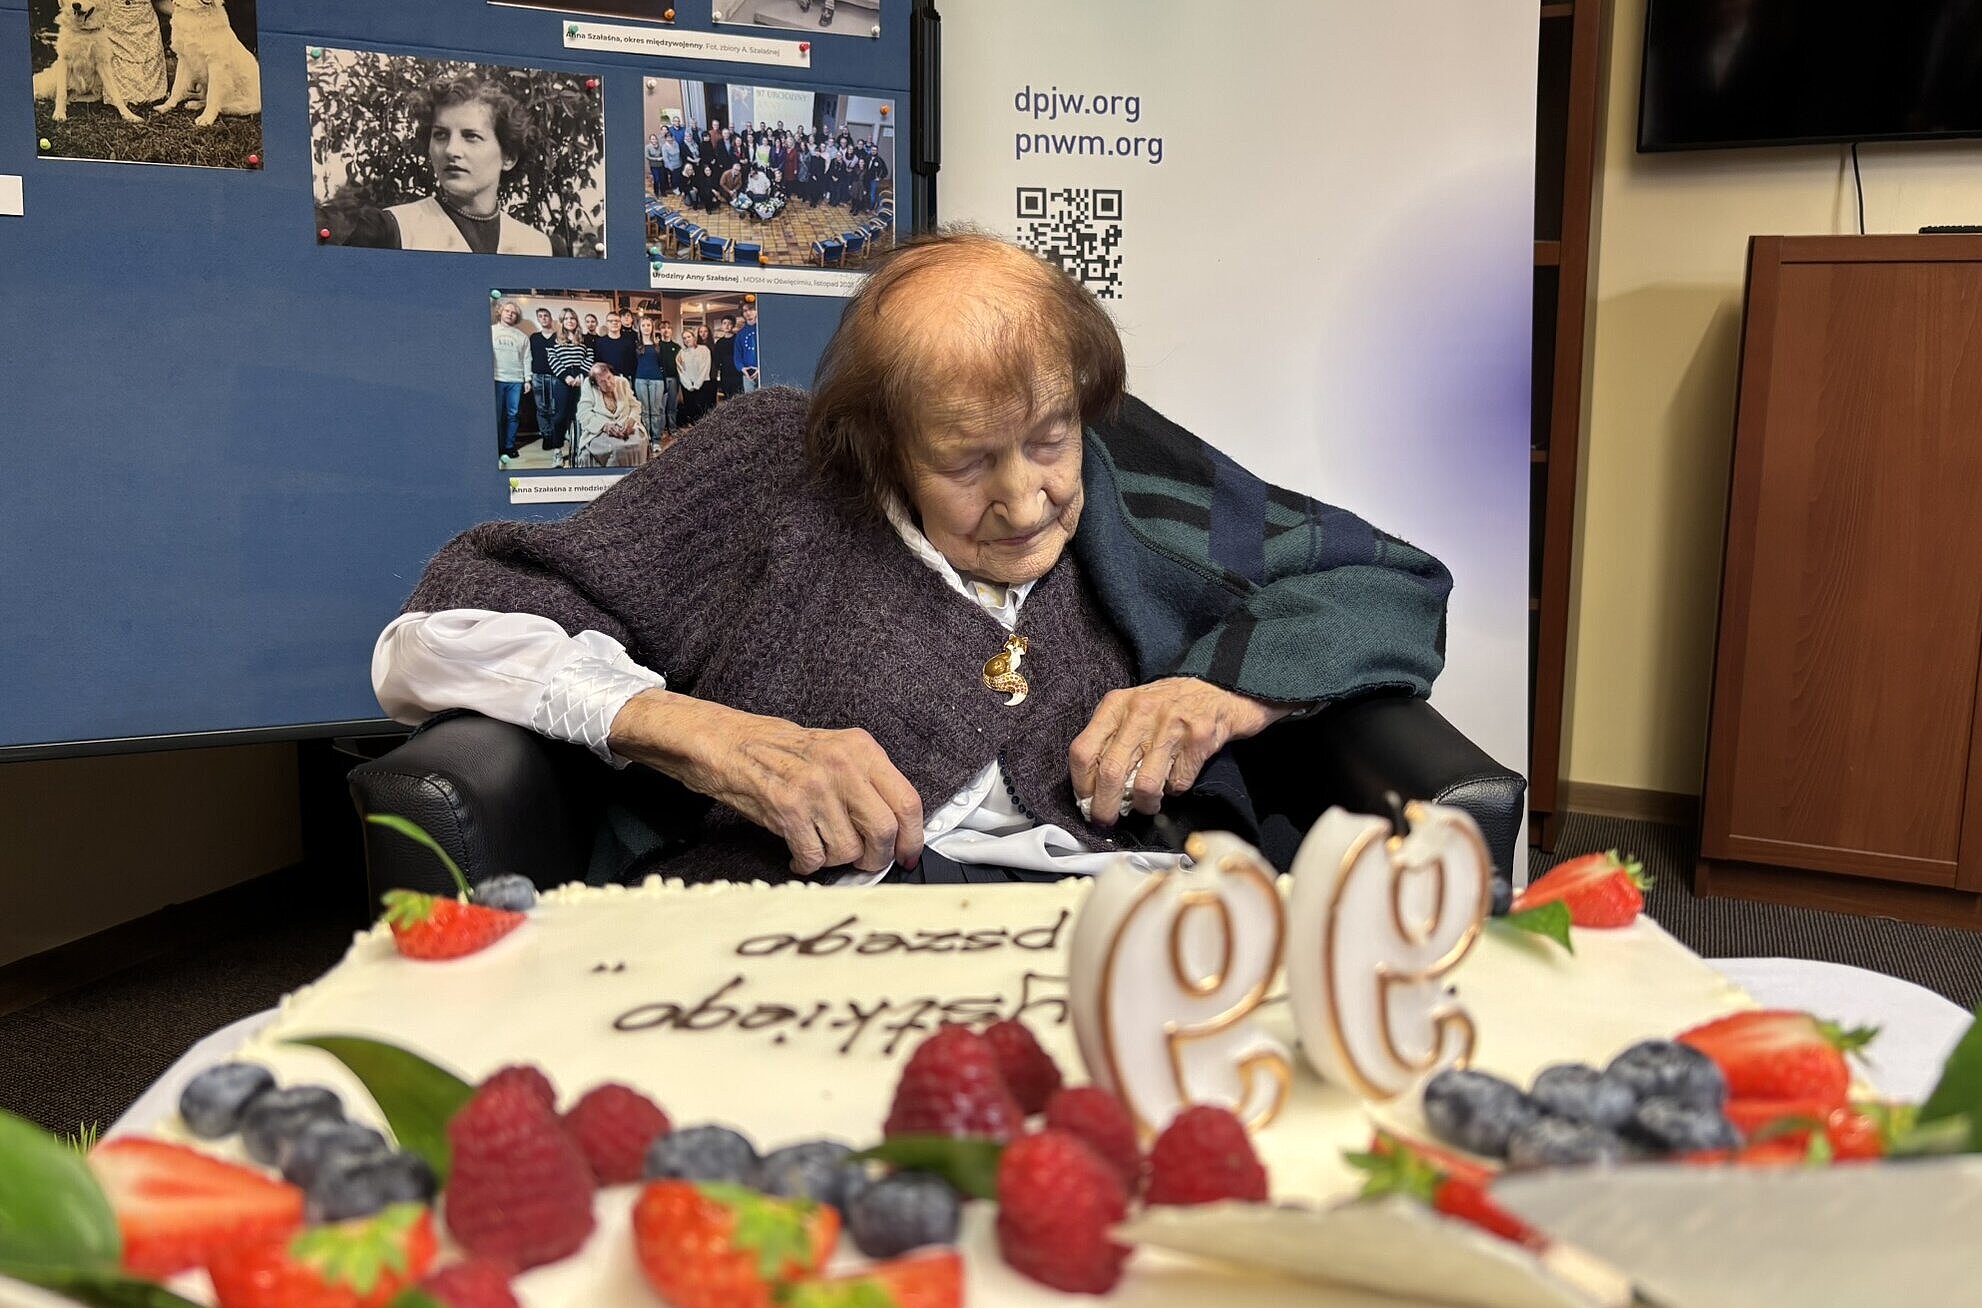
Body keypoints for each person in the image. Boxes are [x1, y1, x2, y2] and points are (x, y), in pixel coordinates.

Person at [373, 233, 1451, 885]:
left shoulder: (1118, 461)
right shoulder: (774, 467)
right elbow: (435, 636)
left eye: (1048, 442)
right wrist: (705, 736)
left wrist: (1220, 693)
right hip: (809, 933)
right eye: (967, 463)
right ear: (879, 445)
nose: (1025, 500)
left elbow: (1387, 582)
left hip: (1116, 912)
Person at [338, 74, 555, 255]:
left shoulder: (539, 247)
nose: (451, 150)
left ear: (508, 157)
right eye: (440, 135)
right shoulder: (389, 232)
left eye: (471, 136)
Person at [574, 363, 649, 469]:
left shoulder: (622, 382)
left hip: (625, 426)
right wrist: (604, 426)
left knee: (638, 443)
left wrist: (632, 419)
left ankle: (637, 475)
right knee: (617, 448)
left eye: (609, 377)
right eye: (602, 382)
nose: (608, 384)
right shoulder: (589, 386)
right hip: (600, 431)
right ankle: (615, 477)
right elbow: (583, 413)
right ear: (596, 384)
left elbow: (635, 406)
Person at [545, 311, 594, 463]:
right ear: (562, 321)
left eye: (572, 318)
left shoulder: (584, 338)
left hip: (581, 380)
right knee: (560, 416)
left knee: (579, 415)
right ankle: (557, 451)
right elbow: (552, 358)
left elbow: (590, 357)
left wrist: (580, 375)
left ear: (576, 321)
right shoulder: (555, 338)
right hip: (563, 380)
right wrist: (565, 376)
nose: (569, 321)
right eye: (566, 319)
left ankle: (579, 450)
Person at [489, 300, 530, 467]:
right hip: (496, 378)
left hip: (516, 380)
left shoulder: (522, 336)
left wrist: (527, 379)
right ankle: (497, 447)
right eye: (507, 311)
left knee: (513, 415)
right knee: (496, 416)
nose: (510, 314)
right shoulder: (490, 331)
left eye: (513, 313)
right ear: (500, 312)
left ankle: (509, 446)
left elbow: (527, 359)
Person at [529, 307, 561, 461]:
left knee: (555, 408)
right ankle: (546, 436)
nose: (543, 318)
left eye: (546, 316)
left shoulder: (558, 336)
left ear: (550, 318)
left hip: (555, 376)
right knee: (541, 408)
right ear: (538, 319)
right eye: (540, 316)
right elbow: (529, 356)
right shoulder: (534, 337)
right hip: (538, 376)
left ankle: (555, 436)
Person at [632, 314, 669, 447]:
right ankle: (646, 439)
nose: (646, 327)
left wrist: (665, 383)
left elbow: (663, 365)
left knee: (656, 411)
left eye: (648, 325)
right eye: (643, 325)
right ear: (639, 328)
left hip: (657, 380)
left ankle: (656, 440)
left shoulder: (658, 345)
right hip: (640, 380)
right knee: (644, 411)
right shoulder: (636, 345)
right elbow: (632, 364)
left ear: (652, 328)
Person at [676, 324, 712, 426]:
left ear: (694, 337)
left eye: (689, 337)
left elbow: (705, 367)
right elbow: (681, 370)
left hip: (702, 384)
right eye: (684, 338)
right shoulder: (681, 352)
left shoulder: (704, 349)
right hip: (688, 386)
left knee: (702, 412)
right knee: (691, 411)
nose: (687, 339)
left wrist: (697, 384)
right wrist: (688, 385)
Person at [590, 310, 637, 379]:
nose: (614, 323)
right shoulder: (599, 342)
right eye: (611, 321)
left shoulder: (629, 342)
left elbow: (633, 363)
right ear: (606, 323)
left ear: (620, 323)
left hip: (624, 379)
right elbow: (597, 363)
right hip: (605, 379)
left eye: (617, 321)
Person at [709, 316, 740, 403]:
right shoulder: (719, 342)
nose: (727, 326)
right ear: (722, 326)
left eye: (729, 323)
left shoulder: (738, 339)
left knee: (737, 397)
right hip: (725, 374)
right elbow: (716, 359)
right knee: (727, 398)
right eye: (724, 323)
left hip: (737, 373)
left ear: (733, 325)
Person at [735, 300, 760, 394]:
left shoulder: (763, 329)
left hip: (762, 372)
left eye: (751, 309)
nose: (748, 313)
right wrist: (742, 368)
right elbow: (737, 356)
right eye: (745, 310)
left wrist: (760, 369)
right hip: (747, 375)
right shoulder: (740, 334)